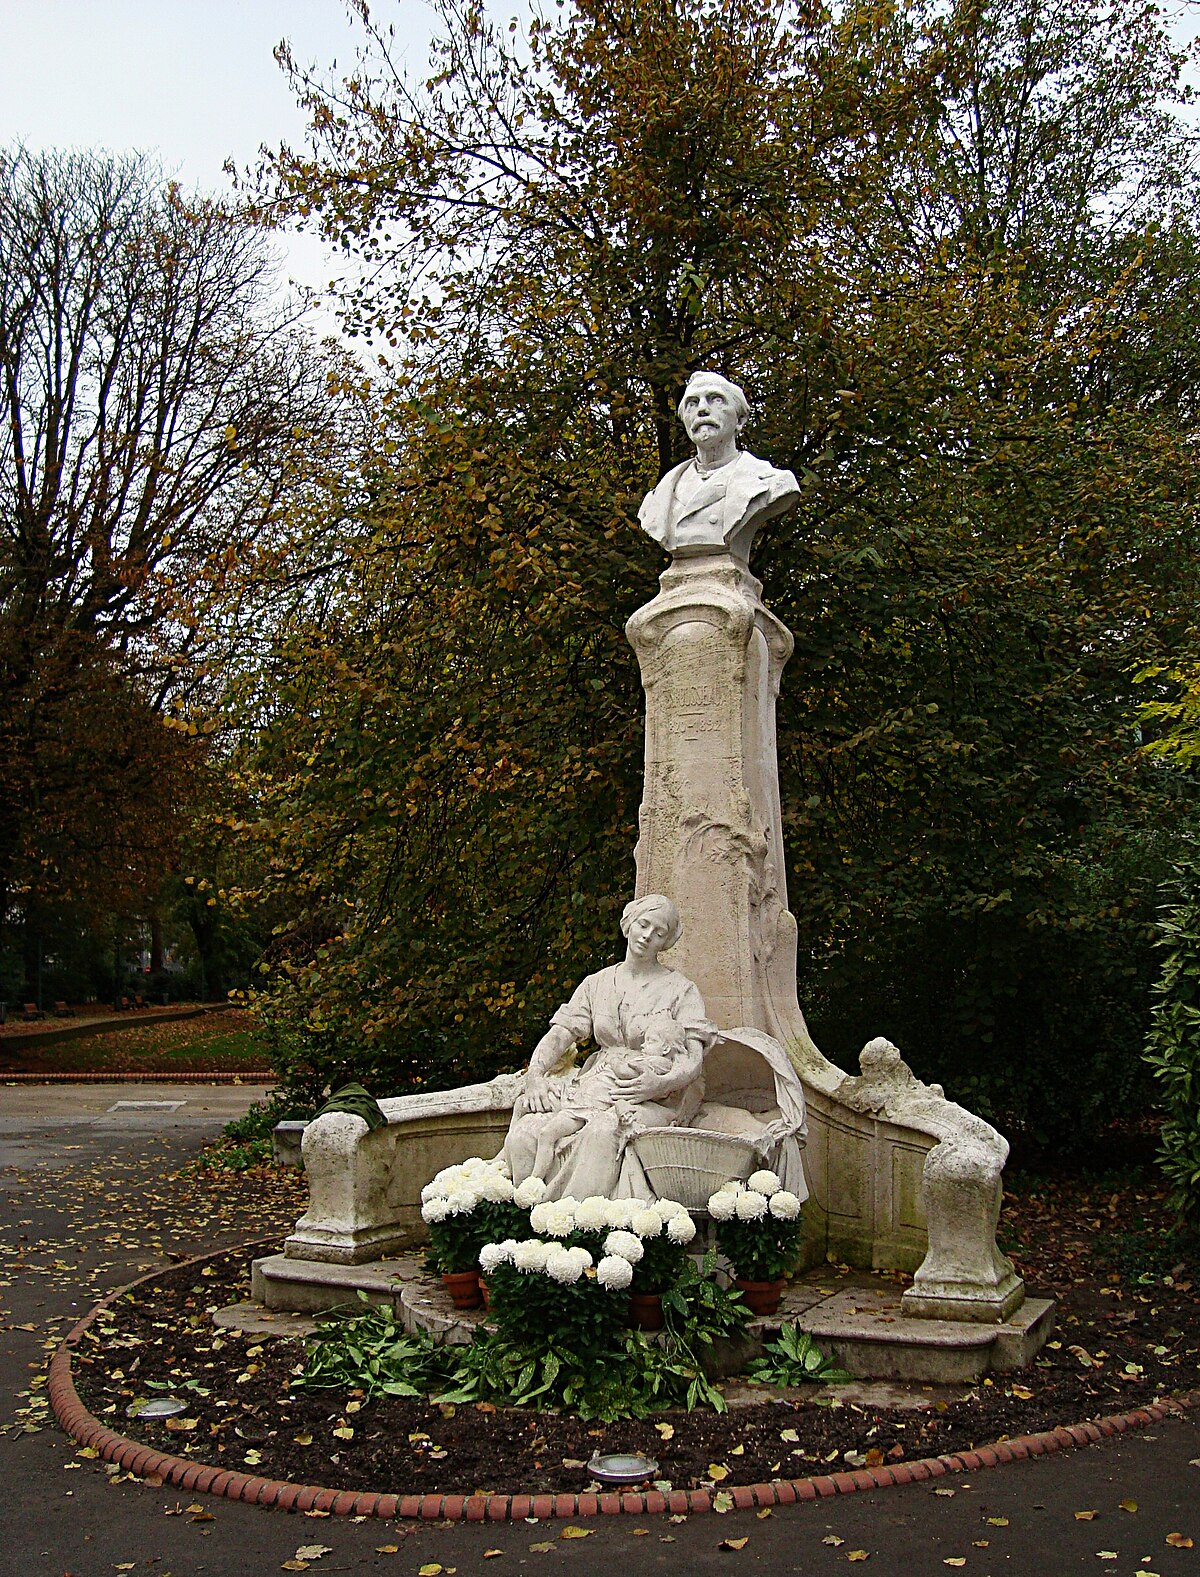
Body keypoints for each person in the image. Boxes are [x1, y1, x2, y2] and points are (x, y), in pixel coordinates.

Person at [503, 895, 717, 1199]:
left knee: (603, 1132)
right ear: (628, 924)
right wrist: (535, 1074)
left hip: (653, 1097)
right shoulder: (597, 983)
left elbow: (694, 1060)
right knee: (526, 1132)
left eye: (658, 932)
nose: (646, 936)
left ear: (666, 941)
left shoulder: (681, 990)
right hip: (597, 1084)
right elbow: (561, 1033)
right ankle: (529, 1214)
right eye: (643, 924)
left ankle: (579, 1221)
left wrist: (660, 1083)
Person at [637, 370, 800, 564]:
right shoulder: (660, 497)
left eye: (716, 400)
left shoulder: (771, 482)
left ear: (740, 420)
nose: (702, 409)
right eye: (692, 403)